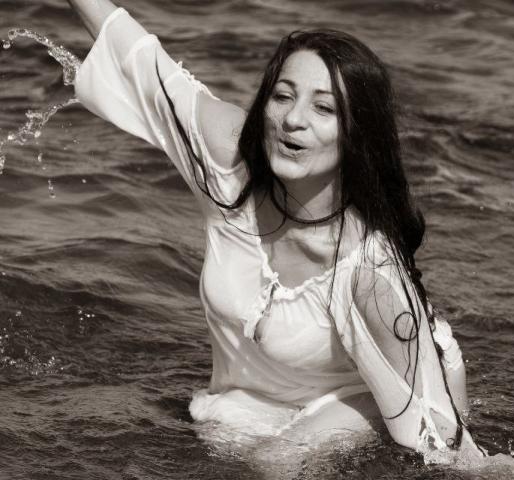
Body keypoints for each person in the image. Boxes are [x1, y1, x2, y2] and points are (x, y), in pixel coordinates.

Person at [67, 0, 485, 465]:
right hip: (245, 405)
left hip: (367, 388)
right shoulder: (228, 166)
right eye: (283, 96)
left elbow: (441, 431)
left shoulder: (368, 273)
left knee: (277, 461)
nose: (292, 119)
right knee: (232, 444)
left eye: (323, 107)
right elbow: (140, 60)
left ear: (356, 134)